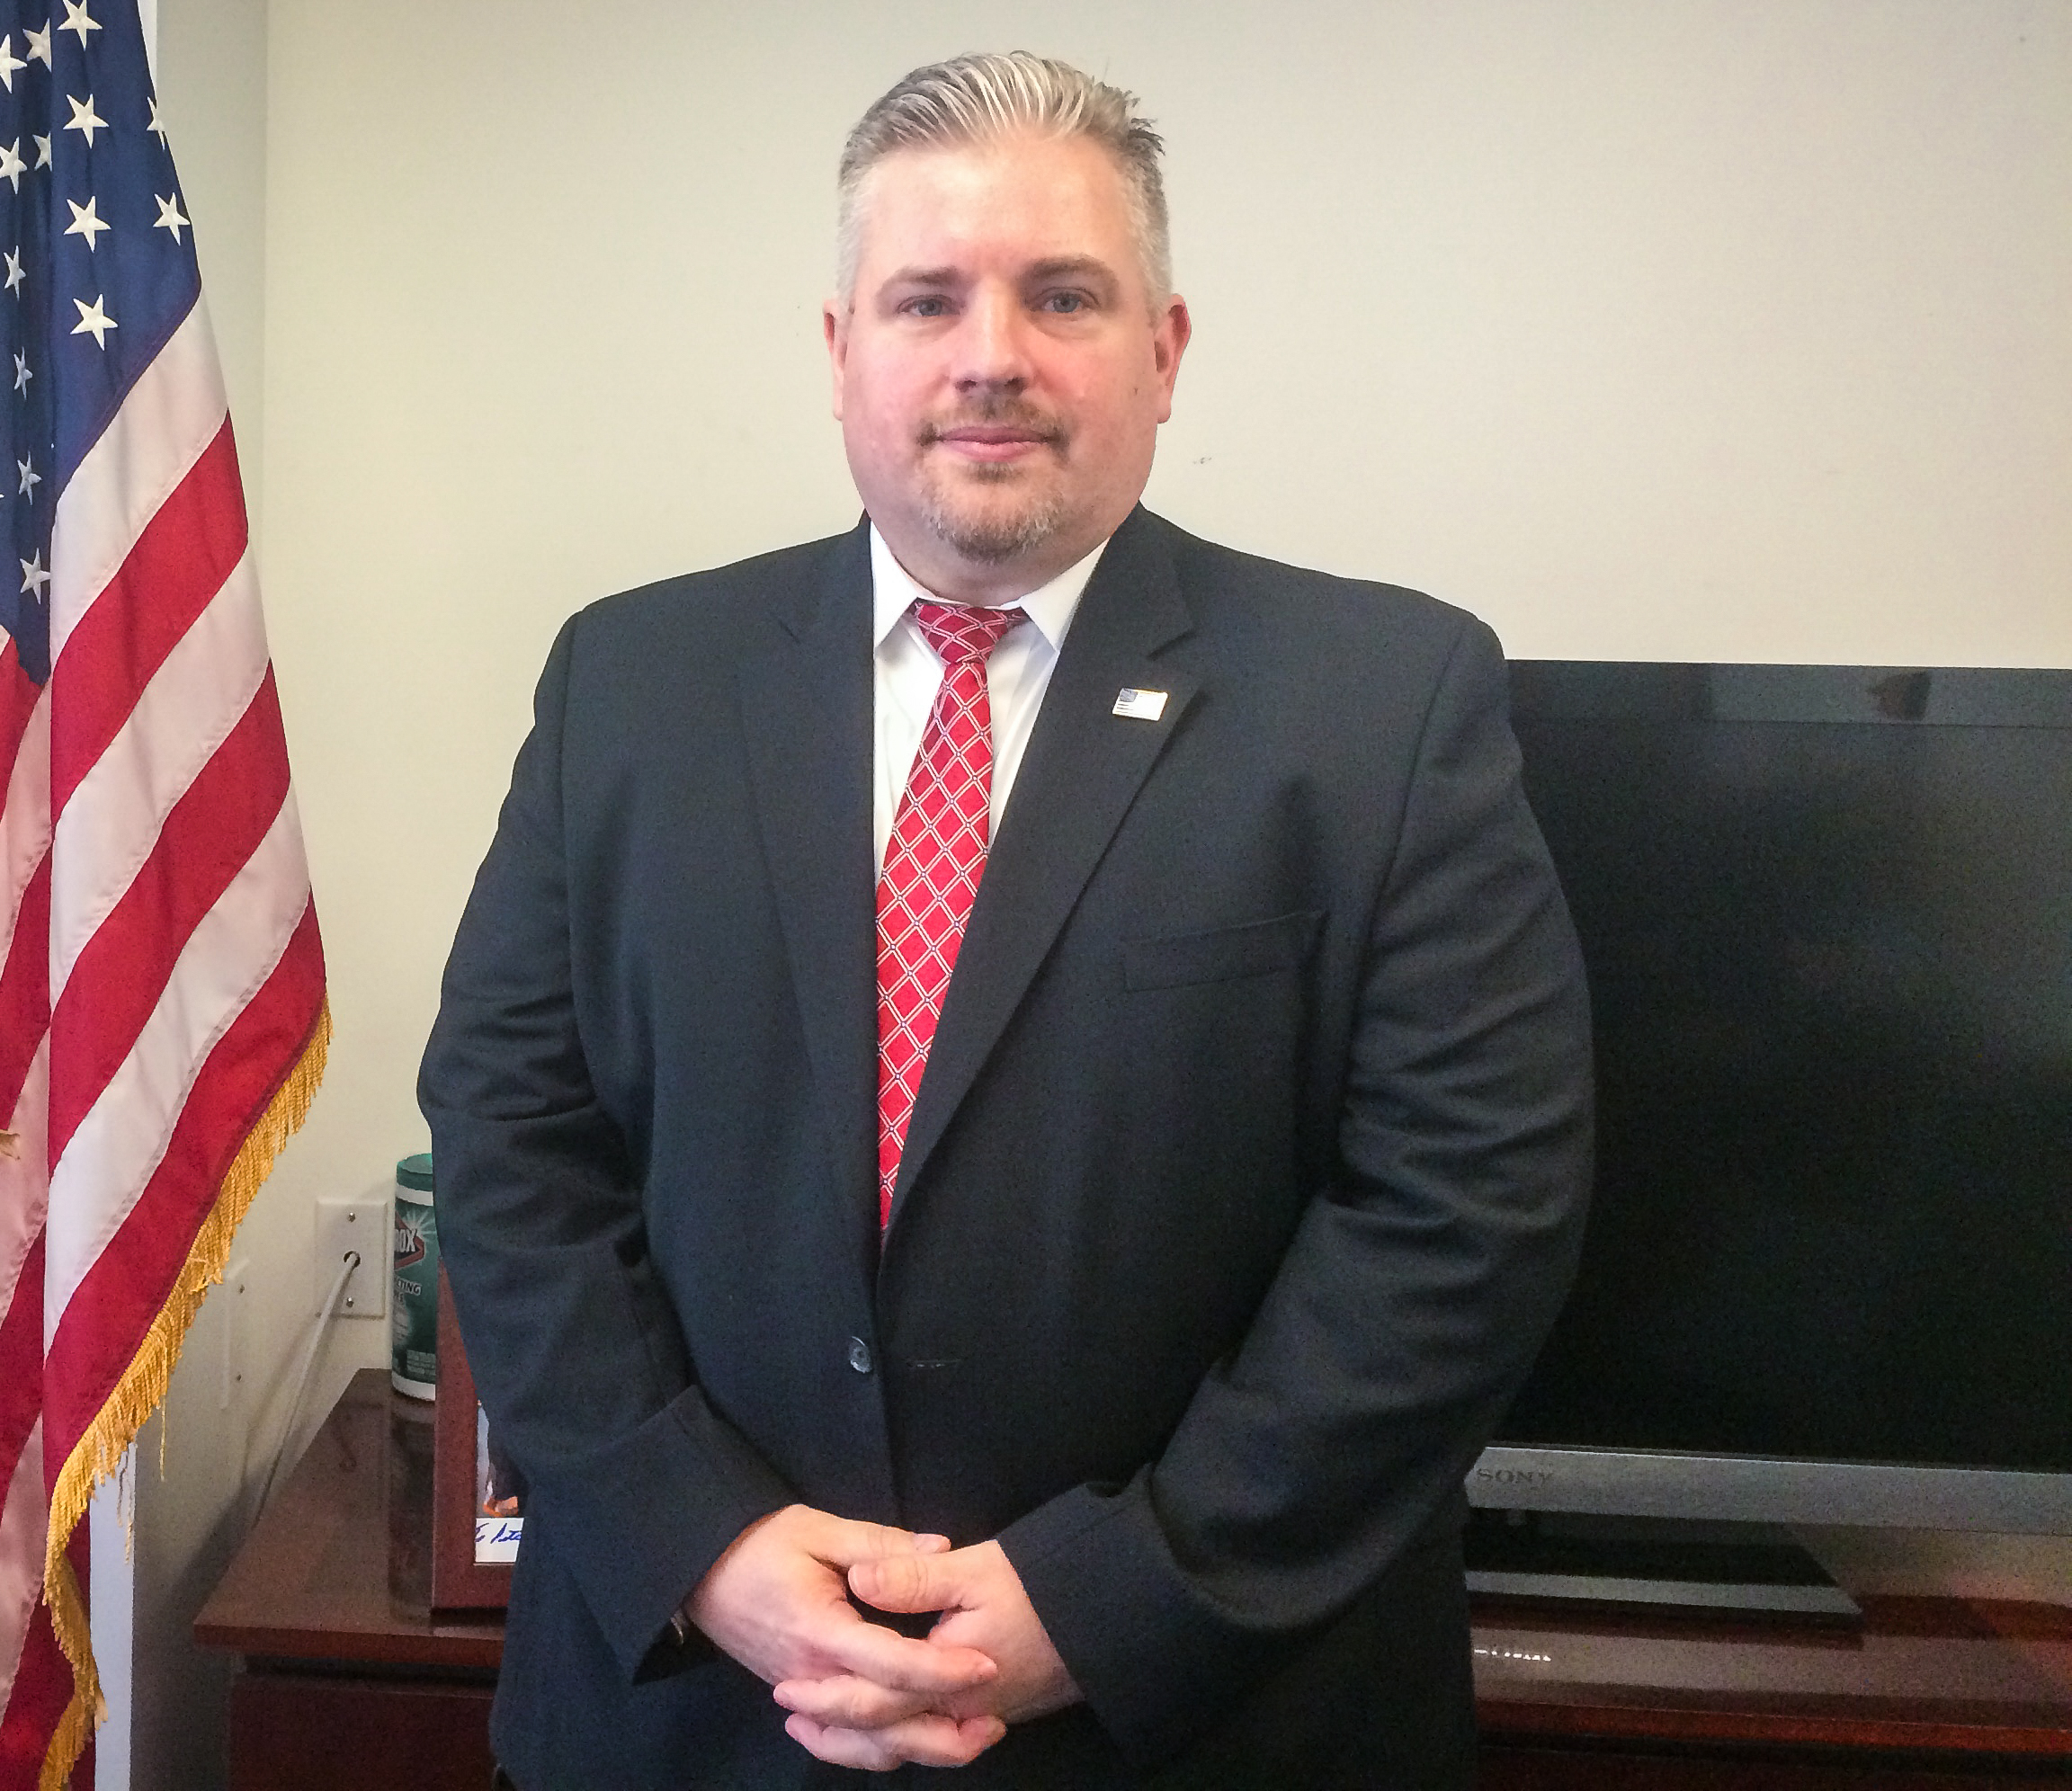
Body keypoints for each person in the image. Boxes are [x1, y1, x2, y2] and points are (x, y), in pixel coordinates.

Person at [418, 50, 1593, 1790]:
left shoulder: (1388, 703)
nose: (991, 357)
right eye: (926, 298)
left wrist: (1108, 1602)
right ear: (840, 354)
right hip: (695, 1712)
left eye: (1063, 296)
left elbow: (1465, 1213)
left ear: (1166, 350)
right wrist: (710, 1549)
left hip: (1195, 1714)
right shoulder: (630, 683)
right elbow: (512, 1146)